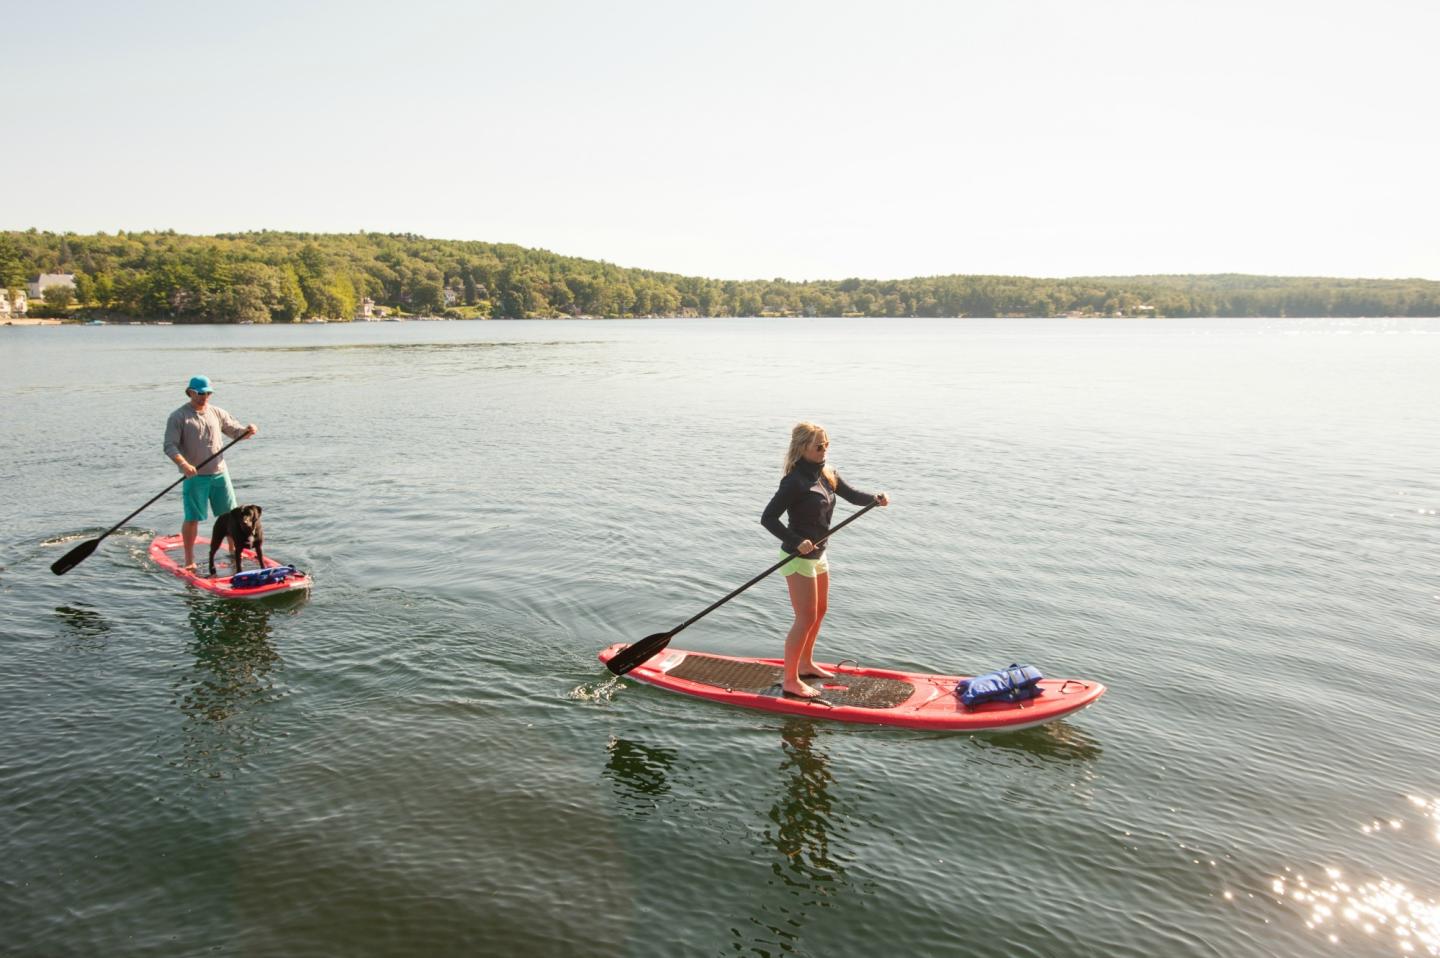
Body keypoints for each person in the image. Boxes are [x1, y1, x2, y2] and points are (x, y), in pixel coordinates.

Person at [761, 422, 889, 698]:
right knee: (804, 618)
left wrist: (874, 499)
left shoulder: (828, 473)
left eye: (827, 444)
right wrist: (796, 540)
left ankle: (806, 664)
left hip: (819, 554)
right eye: (819, 446)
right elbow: (768, 518)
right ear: (802, 448)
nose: (824, 450)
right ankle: (791, 680)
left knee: (819, 612)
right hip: (797, 557)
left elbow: (853, 495)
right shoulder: (794, 481)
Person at [163, 376, 257, 572]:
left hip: (220, 473)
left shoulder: (217, 412)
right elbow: (170, 446)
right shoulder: (178, 417)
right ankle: (189, 560)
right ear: (190, 392)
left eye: (207, 393)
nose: (204, 397)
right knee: (192, 518)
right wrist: (184, 464)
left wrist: (247, 431)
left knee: (230, 516)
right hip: (194, 476)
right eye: (199, 393)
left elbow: (235, 431)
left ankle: (234, 550)